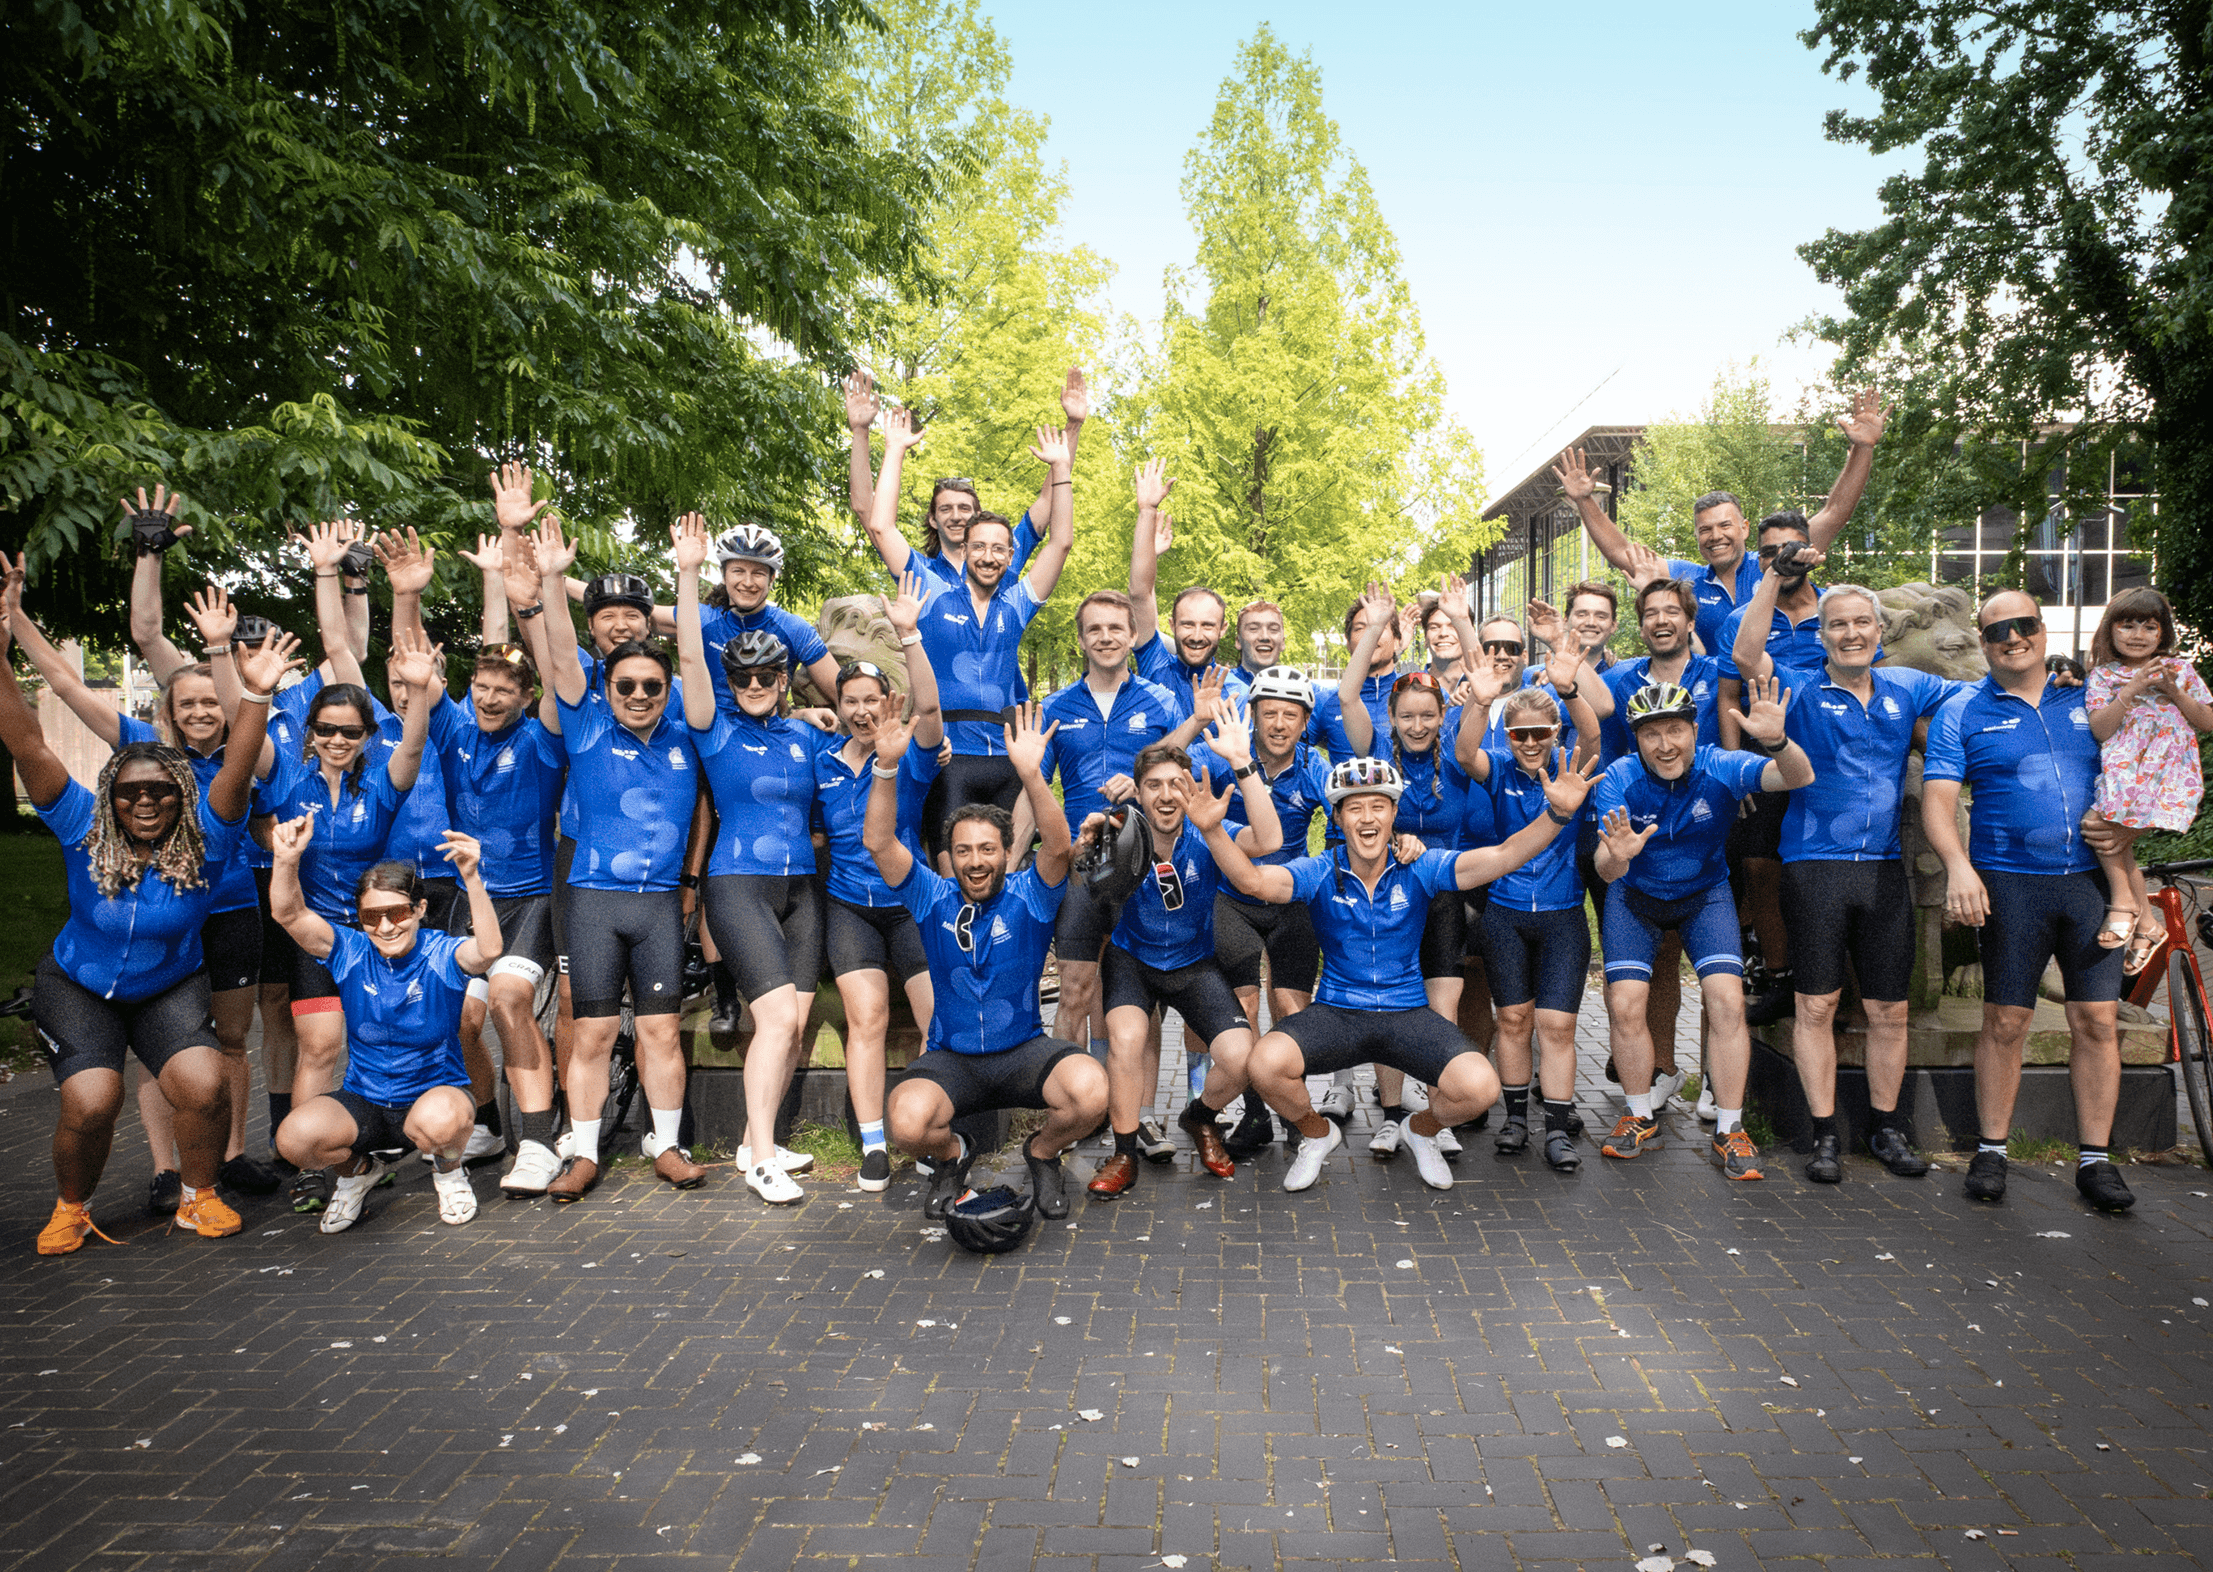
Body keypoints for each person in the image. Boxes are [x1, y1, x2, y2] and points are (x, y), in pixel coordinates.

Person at [0, 588, 292, 1255]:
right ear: (110, 797)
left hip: (167, 985)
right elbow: (25, 742)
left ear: (181, 796)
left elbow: (240, 765)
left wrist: (256, 695)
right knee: (93, 1100)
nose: (146, 803)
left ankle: (199, 1196)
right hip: (82, 987)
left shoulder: (209, 837)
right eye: (130, 793)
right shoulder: (81, 826)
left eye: (160, 791)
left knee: (205, 1080)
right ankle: (72, 1206)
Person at [1199, 751, 1599, 1194]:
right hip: (1338, 1011)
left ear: (1393, 813)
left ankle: (1422, 1129)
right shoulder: (1319, 871)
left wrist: (1558, 814)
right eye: (1354, 807)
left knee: (1481, 1087)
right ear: (1337, 817)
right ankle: (1316, 1135)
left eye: (1378, 806)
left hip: (1406, 1012)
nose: (1367, 818)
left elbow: (1504, 856)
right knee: (1264, 1063)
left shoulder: (1420, 866)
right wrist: (1213, 830)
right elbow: (1254, 882)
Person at [1732, 561, 1958, 1182]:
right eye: (1838, 625)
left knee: (1890, 1011)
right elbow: (1747, 654)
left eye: (1861, 622)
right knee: (1816, 1005)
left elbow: (1987, 689)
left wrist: (2068, 681)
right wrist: (1771, 586)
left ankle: (1887, 1130)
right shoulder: (1800, 688)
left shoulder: (1906, 686)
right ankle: (1825, 1134)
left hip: (1884, 872)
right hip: (1814, 869)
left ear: (1879, 632)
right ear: (1822, 635)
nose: (1851, 633)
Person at [1921, 592, 2138, 1212]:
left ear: (2043, 632)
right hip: (2010, 884)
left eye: (2024, 626)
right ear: (1983, 642)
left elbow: (2143, 769)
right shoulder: (1963, 710)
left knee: (2096, 1022)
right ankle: (1991, 1150)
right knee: (2006, 1020)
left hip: (2091, 885)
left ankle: (2095, 1161)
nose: (2012, 638)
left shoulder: (2092, 693)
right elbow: (1938, 803)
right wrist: (1958, 866)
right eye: (1997, 631)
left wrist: (2133, 837)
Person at [516, 515, 702, 1204]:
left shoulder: (686, 728)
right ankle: (583, 1150)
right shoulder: (587, 722)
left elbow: (694, 664)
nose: (638, 697)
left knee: (659, 1030)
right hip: (591, 898)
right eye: (625, 687)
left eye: (650, 688)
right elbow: (561, 660)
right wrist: (555, 579)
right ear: (609, 690)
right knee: (590, 1028)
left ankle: (670, 1143)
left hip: (654, 903)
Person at [862, 702, 1108, 1222]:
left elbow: (1060, 847)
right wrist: (886, 768)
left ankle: (1041, 1154)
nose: (976, 861)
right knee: (906, 1123)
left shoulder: (1031, 897)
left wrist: (1030, 774)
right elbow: (879, 843)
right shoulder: (932, 896)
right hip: (953, 1058)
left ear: (1006, 852)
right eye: (964, 851)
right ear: (949, 857)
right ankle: (953, 1159)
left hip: (1022, 1052)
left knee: (1091, 1093)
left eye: (988, 850)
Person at [250, 581, 437, 1214]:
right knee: (321, 1046)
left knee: (394, 1038)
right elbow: (243, 727)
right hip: (315, 933)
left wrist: (416, 694)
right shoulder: (284, 773)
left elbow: (411, 746)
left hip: (377, 931)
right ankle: (316, 1164)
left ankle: (414, 1141)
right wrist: (245, 677)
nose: (337, 739)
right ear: (310, 729)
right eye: (327, 729)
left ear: (365, 734)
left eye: (351, 731)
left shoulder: (382, 785)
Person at [1591, 677, 1813, 1181]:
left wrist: (1777, 741)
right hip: (1635, 898)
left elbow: (1797, 777)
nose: (1665, 745)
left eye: (1675, 730)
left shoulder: (1721, 765)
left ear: (1694, 730)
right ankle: (1639, 1115)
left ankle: (1730, 1128)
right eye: (1651, 734)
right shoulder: (1619, 778)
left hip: (1705, 895)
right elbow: (1606, 869)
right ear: (1636, 739)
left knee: (1728, 1001)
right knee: (1625, 1004)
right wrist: (1617, 857)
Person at [671, 513, 829, 1204]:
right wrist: (685, 574)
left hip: (803, 891)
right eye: (744, 675)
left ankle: (751, 1140)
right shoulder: (712, 725)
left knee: (794, 1023)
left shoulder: (802, 734)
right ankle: (758, 1157)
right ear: (729, 678)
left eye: (768, 675)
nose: (755, 684)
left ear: (784, 677)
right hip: (738, 886)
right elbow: (685, 658)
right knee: (776, 1022)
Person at [1084, 714, 1283, 1198]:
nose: (1167, 794)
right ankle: (1124, 1152)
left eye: (1177, 783)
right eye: (1153, 785)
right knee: (1127, 1039)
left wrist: (1241, 764)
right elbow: (1079, 876)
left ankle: (1199, 1119)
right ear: (1137, 792)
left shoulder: (1208, 831)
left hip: (1193, 962)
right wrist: (1085, 846)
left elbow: (1271, 840)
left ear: (1191, 789)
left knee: (1244, 1059)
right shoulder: (1118, 831)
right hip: (1134, 960)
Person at [268, 825, 503, 1232]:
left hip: (430, 1099)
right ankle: (358, 1172)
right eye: (371, 917)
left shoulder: (439, 952)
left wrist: (472, 878)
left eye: (397, 913)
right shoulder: (351, 951)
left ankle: (449, 1173)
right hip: (367, 1102)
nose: (386, 927)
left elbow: (488, 950)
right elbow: (288, 914)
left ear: (419, 909)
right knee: (293, 1140)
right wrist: (286, 860)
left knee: (445, 1119)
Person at [868, 408, 1074, 860]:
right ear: (965, 547)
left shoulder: (1017, 604)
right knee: (951, 876)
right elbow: (880, 525)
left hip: (1006, 755)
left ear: (1009, 555)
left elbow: (1059, 541)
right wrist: (895, 450)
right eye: (978, 546)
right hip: (948, 756)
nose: (987, 555)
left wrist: (1062, 469)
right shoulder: (931, 592)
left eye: (998, 549)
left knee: (1005, 871)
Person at [1035, 587, 1210, 1100]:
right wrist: (1019, 854)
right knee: (1074, 990)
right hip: (1080, 863)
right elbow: (1036, 788)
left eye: (1116, 628)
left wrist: (1153, 771)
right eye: (1095, 629)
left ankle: (1144, 1115)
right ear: (1081, 641)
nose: (1106, 637)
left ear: (1133, 636)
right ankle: (1071, 1104)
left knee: (1138, 1000)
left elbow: (1179, 771)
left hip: (1144, 863)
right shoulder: (1055, 707)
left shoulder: (1160, 699)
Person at [417, 619, 570, 1198]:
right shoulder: (453, 727)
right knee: (456, 1020)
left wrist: (539, 601)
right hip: (469, 898)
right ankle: (484, 1123)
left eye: (507, 687)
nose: (491, 696)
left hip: (530, 898)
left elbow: (558, 677)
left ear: (527, 696)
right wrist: (406, 595)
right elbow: (418, 673)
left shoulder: (540, 738)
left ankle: (535, 1143)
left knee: (509, 1002)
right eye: (483, 684)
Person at [1552, 392, 1886, 654]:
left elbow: (1834, 512)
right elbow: (1623, 551)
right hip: (1719, 701)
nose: (1715, 536)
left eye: (1725, 526)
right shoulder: (1688, 578)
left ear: (1744, 528)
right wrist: (1584, 501)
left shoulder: (1777, 561)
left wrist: (1863, 449)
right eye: (1705, 530)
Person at [812, 571, 944, 1193]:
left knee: (933, 1017)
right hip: (849, 908)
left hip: (910, 905)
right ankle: (871, 1143)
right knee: (864, 1019)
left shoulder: (911, 754)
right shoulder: (821, 761)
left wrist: (912, 637)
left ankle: (929, 1129)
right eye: (852, 702)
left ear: (889, 704)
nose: (863, 711)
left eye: (873, 700)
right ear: (839, 707)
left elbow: (934, 712)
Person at [1595, 577, 1726, 1114]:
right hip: (1642, 829)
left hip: (1707, 823)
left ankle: (1717, 1080)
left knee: (1722, 973)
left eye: (1673, 611)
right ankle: (1663, 1069)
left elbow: (1735, 741)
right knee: (1660, 961)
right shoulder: (1623, 678)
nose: (1661, 620)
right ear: (1640, 624)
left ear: (1691, 621)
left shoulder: (1717, 673)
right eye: (1650, 612)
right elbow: (1596, 723)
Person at [1197, 663, 1333, 1155]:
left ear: (1304, 723)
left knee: (1291, 1006)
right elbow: (1163, 769)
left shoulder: (1314, 766)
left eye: (1290, 715)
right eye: (1270, 713)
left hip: (1289, 897)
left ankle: (1294, 1110)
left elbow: (1350, 813)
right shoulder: (1223, 752)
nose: (1279, 724)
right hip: (1232, 899)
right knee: (1246, 1006)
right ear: (1253, 715)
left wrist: (1328, 865)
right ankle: (1256, 1114)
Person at [845, 367, 1088, 589]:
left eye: (964, 508)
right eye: (945, 509)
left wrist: (1073, 425)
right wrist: (860, 432)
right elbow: (865, 508)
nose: (956, 516)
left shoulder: (1004, 558)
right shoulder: (918, 571)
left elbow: (1047, 502)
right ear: (932, 519)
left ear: (978, 516)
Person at [2080, 587, 2213, 969]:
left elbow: (2206, 721)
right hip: (2126, 771)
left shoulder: (2179, 670)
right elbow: (2101, 729)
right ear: (2111, 630)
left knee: (2098, 829)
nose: (2138, 634)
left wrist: (2172, 690)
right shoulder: (2103, 676)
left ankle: (2124, 906)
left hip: (2167, 771)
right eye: (2128, 625)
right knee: (2115, 843)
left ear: (2162, 633)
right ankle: (2149, 924)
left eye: (2149, 626)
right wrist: (2134, 687)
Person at [1126, 459, 1247, 715]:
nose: (1196, 635)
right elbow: (1139, 593)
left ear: (1224, 629)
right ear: (1171, 625)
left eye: (1207, 625)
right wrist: (1147, 511)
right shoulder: (1155, 664)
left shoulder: (1239, 693)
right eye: (1187, 624)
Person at [1313, 591, 1413, 762]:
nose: (1370, 635)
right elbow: (1289, 754)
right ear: (1348, 642)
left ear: (1398, 640)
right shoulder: (1325, 701)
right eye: (1360, 628)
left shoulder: (1420, 693)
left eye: (1379, 626)